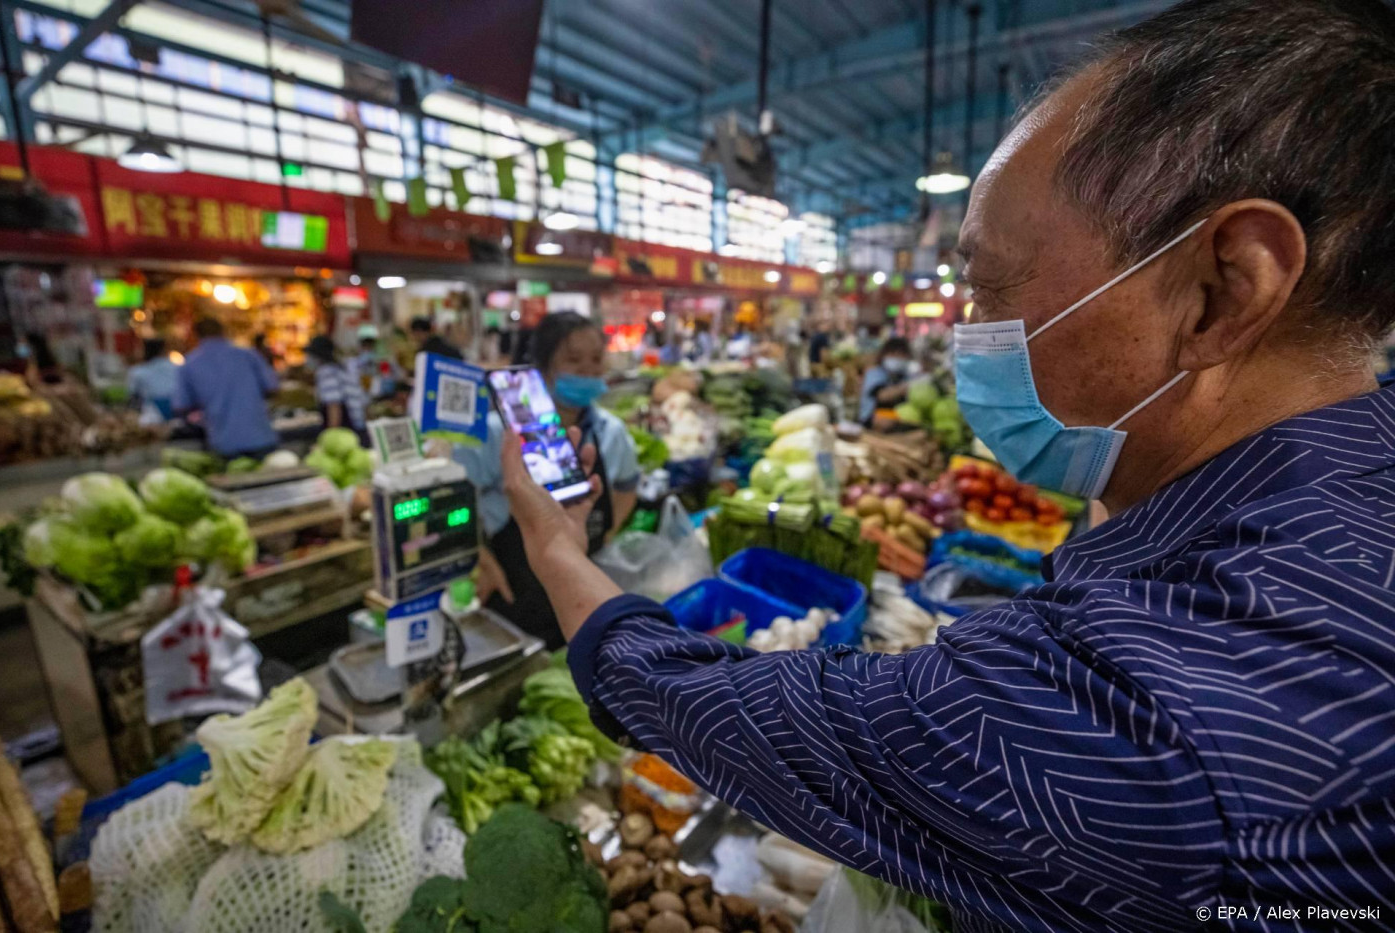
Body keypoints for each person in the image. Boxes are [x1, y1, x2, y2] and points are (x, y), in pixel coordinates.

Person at [493, 1, 1395, 929]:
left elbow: (752, 717)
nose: (969, 332)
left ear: (1223, 291)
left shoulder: (1161, 718)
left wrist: (555, 547)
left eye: (988, 285)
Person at [456, 311, 639, 649]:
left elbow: (628, 486)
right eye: (573, 360)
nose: (588, 370)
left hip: (584, 590)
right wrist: (479, 559)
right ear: (542, 366)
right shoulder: (497, 433)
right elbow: (453, 498)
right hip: (513, 590)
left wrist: (608, 532)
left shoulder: (611, 432)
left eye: (596, 359)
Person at [175, 317, 278, 458]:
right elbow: (272, 388)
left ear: (195, 336)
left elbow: (181, 406)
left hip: (223, 443)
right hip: (260, 437)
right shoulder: (247, 355)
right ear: (223, 332)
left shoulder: (189, 365)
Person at [305, 335, 367, 441]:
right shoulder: (341, 370)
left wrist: (331, 438)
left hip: (347, 430)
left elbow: (334, 406)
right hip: (358, 427)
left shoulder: (327, 372)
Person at [857, 335, 912, 424]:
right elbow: (882, 395)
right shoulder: (874, 374)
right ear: (883, 355)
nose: (897, 357)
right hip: (871, 421)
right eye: (893, 354)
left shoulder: (905, 376)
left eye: (901, 354)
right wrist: (905, 388)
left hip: (897, 421)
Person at [126, 337, 178, 425]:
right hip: (176, 410)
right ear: (163, 351)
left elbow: (132, 394)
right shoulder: (176, 368)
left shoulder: (137, 371)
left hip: (153, 414)